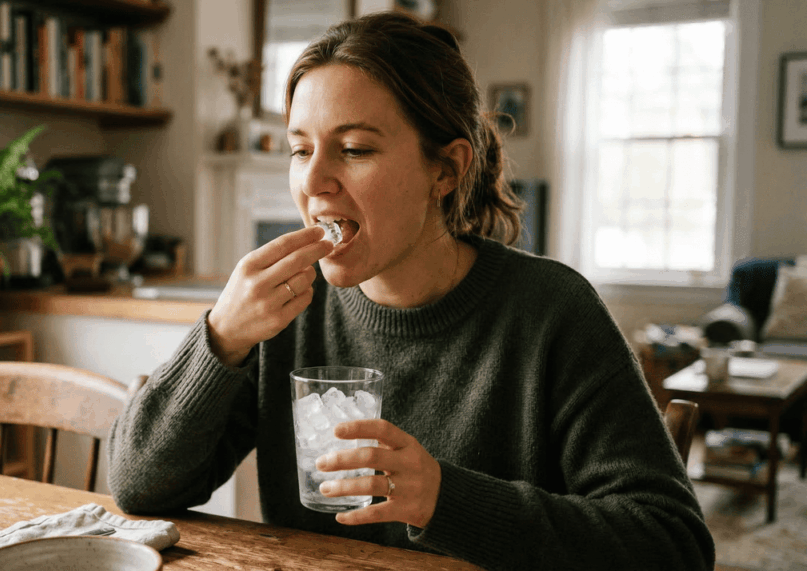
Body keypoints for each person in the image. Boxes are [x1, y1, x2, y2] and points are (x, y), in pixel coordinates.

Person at [107, 11, 714, 570]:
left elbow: (673, 544)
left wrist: (443, 499)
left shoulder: (552, 312)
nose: (314, 180)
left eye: (354, 149)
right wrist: (221, 337)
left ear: (445, 170)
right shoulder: (287, 310)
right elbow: (137, 487)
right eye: (299, 149)